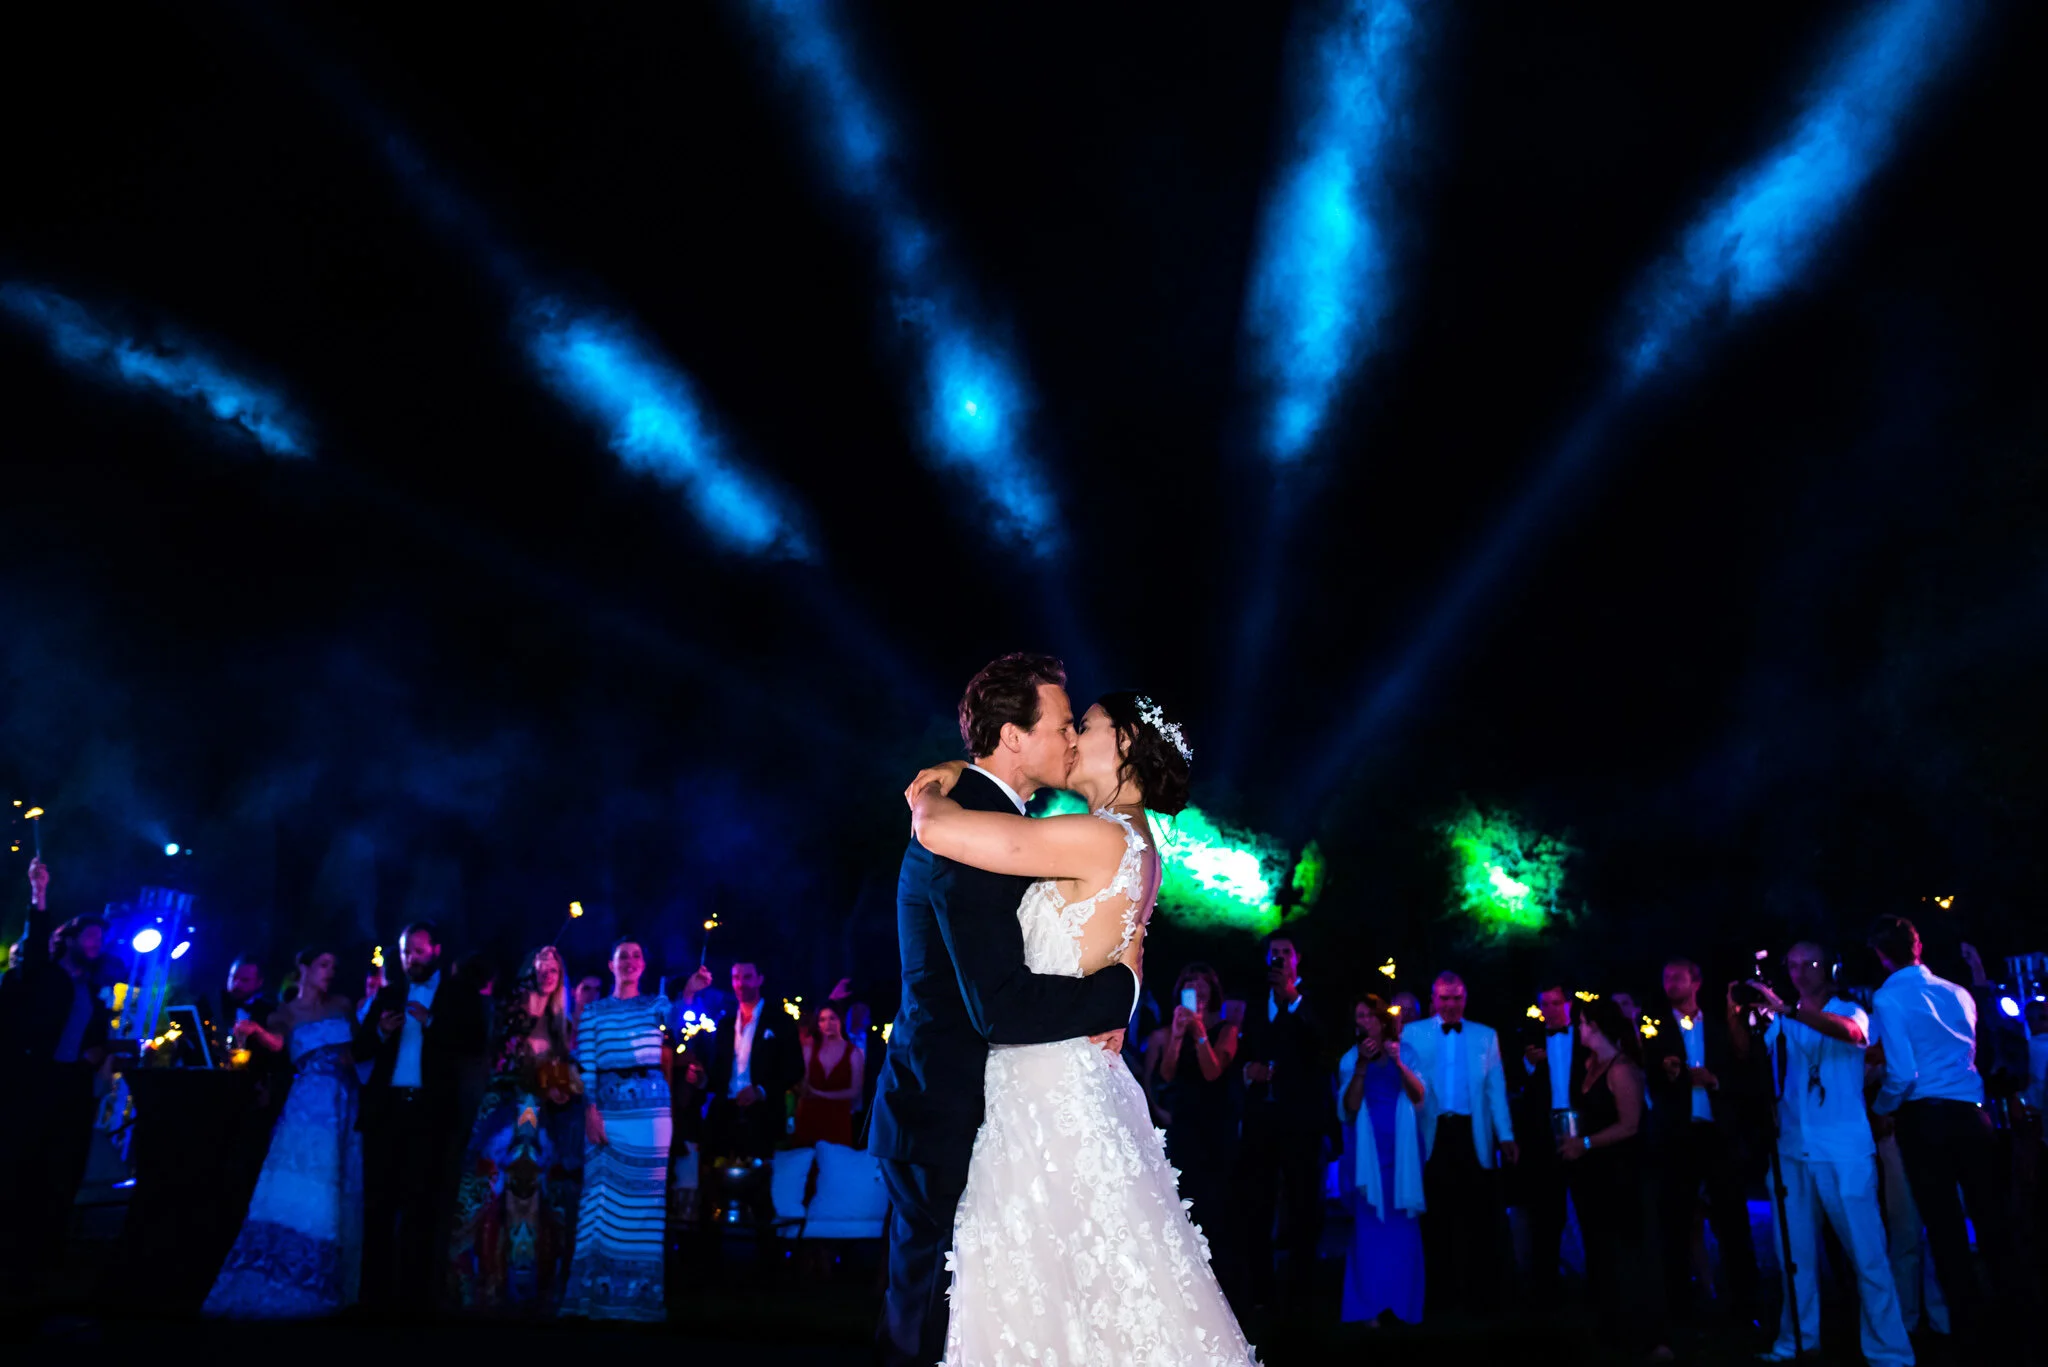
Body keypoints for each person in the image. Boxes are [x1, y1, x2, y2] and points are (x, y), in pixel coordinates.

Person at [897, 678, 1255, 1365]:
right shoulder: (1138, 843)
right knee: (1092, 1290)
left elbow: (938, 830)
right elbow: (1129, 948)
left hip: (1043, 1087)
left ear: (1124, 743)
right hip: (1070, 1077)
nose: (1070, 738)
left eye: (1082, 725)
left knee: (1048, 1288)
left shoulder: (1097, 836)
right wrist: (1123, 992)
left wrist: (932, 786)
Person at [867, 655, 1149, 1367]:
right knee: (929, 1327)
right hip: (942, 1109)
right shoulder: (967, 832)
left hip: (983, 1108)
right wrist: (1119, 992)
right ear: (1015, 736)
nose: (1071, 738)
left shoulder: (990, 819)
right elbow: (1000, 1006)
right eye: (1062, 724)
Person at [1728, 944, 1910, 1366]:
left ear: (1829, 968)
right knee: (1794, 1256)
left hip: (1843, 1149)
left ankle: (1889, 1352)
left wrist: (1788, 1010)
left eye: (1808, 964)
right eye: (1792, 965)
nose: (1800, 972)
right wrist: (1734, 1012)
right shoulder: (1779, 1019)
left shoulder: (1850, 1008)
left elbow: (1853, 1034)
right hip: (1792, 1147)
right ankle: (1797, 1340)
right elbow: (1744, 1053)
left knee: (1867, 1253)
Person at [1867, 915, 2018, 1349]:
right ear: (1918, 946)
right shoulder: (1957, 993)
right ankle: (2014, 1318)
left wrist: (1881, 1108)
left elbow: (1902, 1073)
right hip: (1972, 1115)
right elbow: (1972, 1052)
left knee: (1946, 1229)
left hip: (1926, 1119)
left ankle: (1969, 1328)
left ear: (1880, 955)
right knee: (1991, 1221)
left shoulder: (1888, 997)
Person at [204, 947, 364, 1315]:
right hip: (308, 1103)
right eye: (323, 965)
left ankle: (331, 1277)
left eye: (333, 966)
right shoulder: (285, 1012)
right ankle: (286, 1271)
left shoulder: (342, 1004)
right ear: (303, 968)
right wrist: (255, 1031)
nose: (330, 972)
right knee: (303, 1179)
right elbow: (277, 1043)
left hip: (344, 1099)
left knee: (339, 1181)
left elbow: (358, 1049)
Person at [354, 920, 490, 1311]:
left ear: (436, 951)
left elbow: (474, 1042)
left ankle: (415, 1300)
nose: (411, 958)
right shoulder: (389, 994)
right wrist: (380, 1032)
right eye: (405, 951)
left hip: (431, 1117)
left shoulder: (458, 994)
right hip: (387, 1113)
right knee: (378, 1206)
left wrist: (432, 1023)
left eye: (418, 950)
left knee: (423, 1207)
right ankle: (374, 1299)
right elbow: (360, 1050)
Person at [448, 945, 585, 1314]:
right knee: (485, 1192)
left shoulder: (562, 1024)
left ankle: (534, 1290)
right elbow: (495, 1058)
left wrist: (559, 1088)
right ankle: (480, 1284)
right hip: (502, 1111)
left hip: (540, 1118)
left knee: (540, 1200)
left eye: (554, 968)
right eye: (541, 966)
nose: (547, 974)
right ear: (529, 972)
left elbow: (563, 1073)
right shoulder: (510, 1010)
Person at [0, 858, 111, 1308]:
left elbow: (97, 1037)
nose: (97, 943)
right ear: (68, 939)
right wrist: (39, 893)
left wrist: (98, 1053)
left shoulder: (94, 993)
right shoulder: (43, 977)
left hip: (71, 1092)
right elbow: (32, 951)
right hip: (34, 1086)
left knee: (60, 1176)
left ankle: (45, 1267)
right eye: (90, 935)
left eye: (101, 938)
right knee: (21, 1173)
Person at [1643, 957, 1758, 1329]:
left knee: (1732, 1222)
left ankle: (1745, 1305)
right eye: (1666, 978)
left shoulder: (1720, 1025)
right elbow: (1647, 1075)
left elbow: (1744, 1072)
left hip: (1718, 1135)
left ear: (1696, 982)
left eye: (1677, 978)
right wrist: (1671, 1075)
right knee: (1674, 1222)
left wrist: (1714, 1081)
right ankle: (1679, 1309)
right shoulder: (1654, 1025)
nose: (1670, 984)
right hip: (1677, 1136)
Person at [563, 937, 671, 1322]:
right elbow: (587, 1064)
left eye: (636, 956)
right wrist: (590, 1109)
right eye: (622, 956)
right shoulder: (594, 1011)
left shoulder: (657, 1005)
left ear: (644, 964)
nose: (629, 961)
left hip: (651, 1115)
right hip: (607, 1111)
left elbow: (681, 1023)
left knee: (646, 1207)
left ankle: (639, 1301)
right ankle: (594, 1299)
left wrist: (691, 994)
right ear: (611, 965)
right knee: (601, 1202)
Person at [1557, 996, 1670, 1362]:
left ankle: (1646, 1334)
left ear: (1596, 1026)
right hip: (1595, 1174)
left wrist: (1586, 1143)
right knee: (1601, 1250)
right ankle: (1612, 1327)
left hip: (1624, 1173)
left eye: (1582, 1023)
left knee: (1631, 1251)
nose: (1578, 1029)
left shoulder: (1621, 1069)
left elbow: (1630, 1125)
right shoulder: (1590, 1064)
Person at [1401, 971, 1517, 1323]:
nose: (1450, 1005)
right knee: (1435, 1218)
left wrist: (1506, 1135)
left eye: (1456, 998)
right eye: (1444, 998)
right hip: (1432, 1132)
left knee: (1478, 1217)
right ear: (1434, 1000)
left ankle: (1480, 1296)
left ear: (1465, 999)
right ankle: (1439, 1295)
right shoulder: (1413, 1033)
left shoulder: (1485, 1035)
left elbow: (1496, 1090)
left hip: (1472, 1133)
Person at [1233, 933, 1334, 1311]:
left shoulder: (1314, 999)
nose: (1278, 958)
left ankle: (1301, 1291)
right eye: (1273, 953)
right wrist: (1249, 1070)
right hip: (1261, 1120)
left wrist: (1293, 999)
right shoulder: (1255, 1001)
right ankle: (1262, 1291)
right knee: (1257, 1203)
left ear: (1297, 958)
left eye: (1285, 953)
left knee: (1303, 1204)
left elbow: (1323, 1046)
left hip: (1301, 1121)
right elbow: (1242, 1051)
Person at [1336, 992, 1425, 1327]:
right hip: (1367, 1152)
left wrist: (1399, 1063)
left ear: (1381, 1020)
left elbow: (1419, 1096)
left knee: (1402, 1229)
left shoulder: (1407, 1052)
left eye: (1369, 1015)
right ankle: (1369, 1306)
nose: (1364, 1021)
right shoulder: (1349, 1058)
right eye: (1358, 1016)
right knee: (1369, 1229)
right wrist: (1361, 1065)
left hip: (1402, 1151)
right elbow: (1349, 1107)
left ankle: (1401, 1303)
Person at [1142, 962, 1240, 1266]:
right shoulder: (1174, 1031)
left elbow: (1212, 1072)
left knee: (1216, 1206)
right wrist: (1177, 1035)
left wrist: (1199, 1034)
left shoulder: (1227, 1030)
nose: (1196, 989)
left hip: (1215, 1126)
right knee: (1185, 1202)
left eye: (1202, 983)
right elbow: (1166, 1074)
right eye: (1190, 983)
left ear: (1212, 991)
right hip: (1184, 1126)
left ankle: (1222, 1273)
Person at [1512, 982, 1583, 1306]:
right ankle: (1546, 1286)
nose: (1550, 1010)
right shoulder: (1530, 1039)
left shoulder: (1584, 1037)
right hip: (1543, 1135)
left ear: (1567, 1004)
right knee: (1546, 1213)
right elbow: (1517, 1085)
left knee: (1588, 1205)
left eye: (1556, 1003)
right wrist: (1529, 1064)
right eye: (1545, 1004)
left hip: (1582, 1128)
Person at [704, 959, 801, 1164]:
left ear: (760, 979)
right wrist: (701, 1079)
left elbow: (795, 1068)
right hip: (726, 1114)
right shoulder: (725, 1023)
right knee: (721, 1175)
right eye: (736, 978)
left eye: (747, 977)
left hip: (763, 1115)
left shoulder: (780, 1021)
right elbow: (717, 1070)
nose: (740, 984)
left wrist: (760, 1090)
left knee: (759, 1177)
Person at [793, 1001, 864, 1147]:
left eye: (832, 1018)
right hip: (809, 1117)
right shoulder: (809, 1049)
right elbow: (803, 1085)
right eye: (822, 1019)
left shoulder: (854, 1053)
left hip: (838, 1119)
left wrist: (820, 1094)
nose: (828, 1024)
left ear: (840, 1020)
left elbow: (855, 1091)